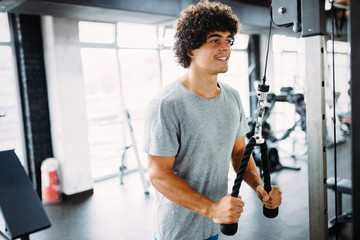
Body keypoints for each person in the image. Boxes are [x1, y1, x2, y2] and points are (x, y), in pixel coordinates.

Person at [143, 1, 282, 239]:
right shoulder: (166, 105)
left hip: (215, 224)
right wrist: (211, 208)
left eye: (229, 40)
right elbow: (158, 174)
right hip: (178, 231)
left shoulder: (233, 97)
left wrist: (258, 186)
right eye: (215, 39)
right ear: (190, 49)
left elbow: (239, 153)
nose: (225, 47)